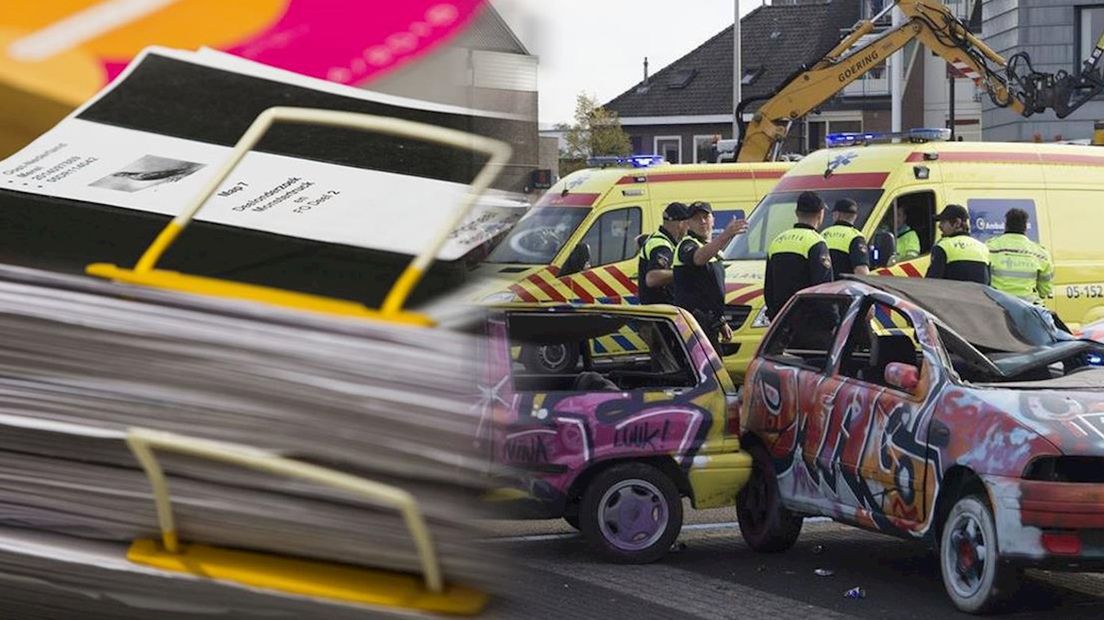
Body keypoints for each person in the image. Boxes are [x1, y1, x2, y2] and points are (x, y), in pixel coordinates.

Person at [673, 201, 748, 351]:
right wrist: (726, 235)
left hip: (709, 322)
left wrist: (720, 321)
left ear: (713, 219)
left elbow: (710, 292)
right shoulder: (687, 244)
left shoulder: (713, 249)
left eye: (705, 217)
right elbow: (698, 258)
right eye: (696, 218)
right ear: (688, 223)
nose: (702, 221)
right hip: (693, 323)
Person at [764, 191, 833, 321]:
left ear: (796, 213)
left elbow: (769, 289)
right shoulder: (816, 242)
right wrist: (832, 320)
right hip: (809, 323)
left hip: (782, 322)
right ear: (820, 213)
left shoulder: (777, 241)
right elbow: (823, 288)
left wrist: (774, 317)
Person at [986, 208, 1053, 303]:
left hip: (998, 307)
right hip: (1028, 309)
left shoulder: (990, 248)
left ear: (1006, 225)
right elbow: (1045, 290)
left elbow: (983, 281)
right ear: (1025, 227)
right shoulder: (1040, 253)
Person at [637, 202, 690, 304]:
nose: (689, 228)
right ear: (681, 224)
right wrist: (685, 273)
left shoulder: (659, 239)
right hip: (660, 310)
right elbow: (652, 278)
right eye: (689, 224)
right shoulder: (661, 245)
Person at [926, 204, 990, 284]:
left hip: (951, 295)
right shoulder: (983, 247)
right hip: (977, 296)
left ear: (957, 223)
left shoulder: (943, 246)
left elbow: (932, 282)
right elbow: (987, 284)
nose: (940, 226)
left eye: (943, 222)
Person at [822, 198, 870, 278]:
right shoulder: (856, 237)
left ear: (837, 215)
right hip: (844, 287)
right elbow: (861, 270)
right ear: (855, 216)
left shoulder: (823, 234)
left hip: (823, 288)